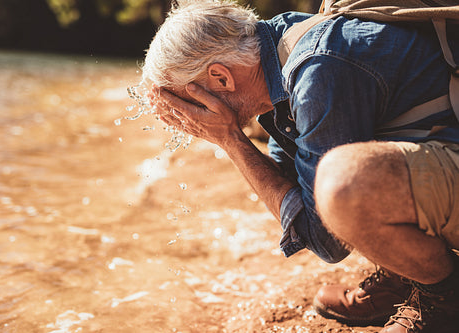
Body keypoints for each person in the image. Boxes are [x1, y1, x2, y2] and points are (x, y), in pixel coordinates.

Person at [142, 0, 459, 331]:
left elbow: (327, 238)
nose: (191, 120)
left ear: (221, 78)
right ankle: (404, 274)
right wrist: (231, 137)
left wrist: (230, 140)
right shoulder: (281, 51)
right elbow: (289, 184)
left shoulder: (317, 67)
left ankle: (443, 298)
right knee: (330, 170)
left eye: (189, 104)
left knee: (343, 183)